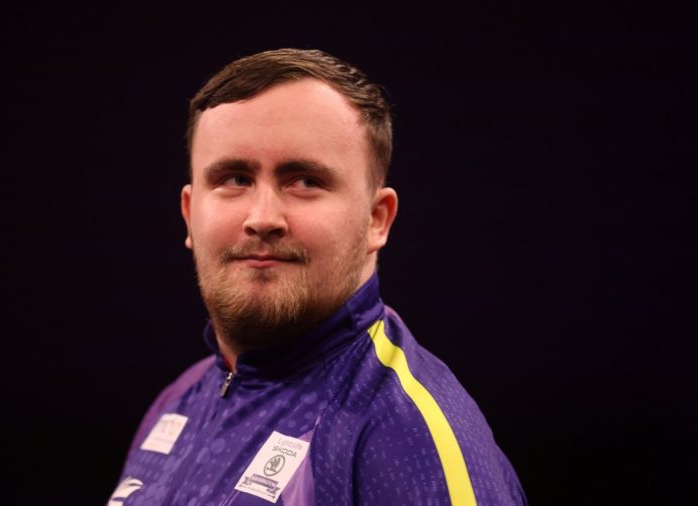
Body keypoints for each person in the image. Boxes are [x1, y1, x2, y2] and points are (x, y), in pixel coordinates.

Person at [108, 48, 526, 506]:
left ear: (376, 219)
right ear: (190, 214)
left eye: (305, 180)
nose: (262, 218)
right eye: (234, 178)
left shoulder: (409, 439)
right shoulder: (179, 399)